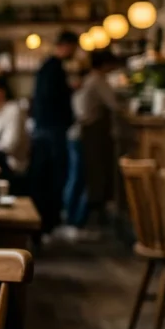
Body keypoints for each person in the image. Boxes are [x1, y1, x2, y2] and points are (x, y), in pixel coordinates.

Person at [30, 30, 78, 235]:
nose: (76, 51)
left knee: (49, 176)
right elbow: (53, 99)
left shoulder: (49, 67)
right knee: (54, 176)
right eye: (74, 47)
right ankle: (50, 223)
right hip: (52, 130)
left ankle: (49, 223)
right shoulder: (54, 68)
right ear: (66, 45)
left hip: (45, 129)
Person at [67, 50, 120, 235]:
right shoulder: (98, 81)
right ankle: (77, 221)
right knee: (86, 178)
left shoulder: (88, 79)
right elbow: (115, 104)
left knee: (77, 178)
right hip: (86, 134)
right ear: (105, 64)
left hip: (76, 133)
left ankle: (72, 219)